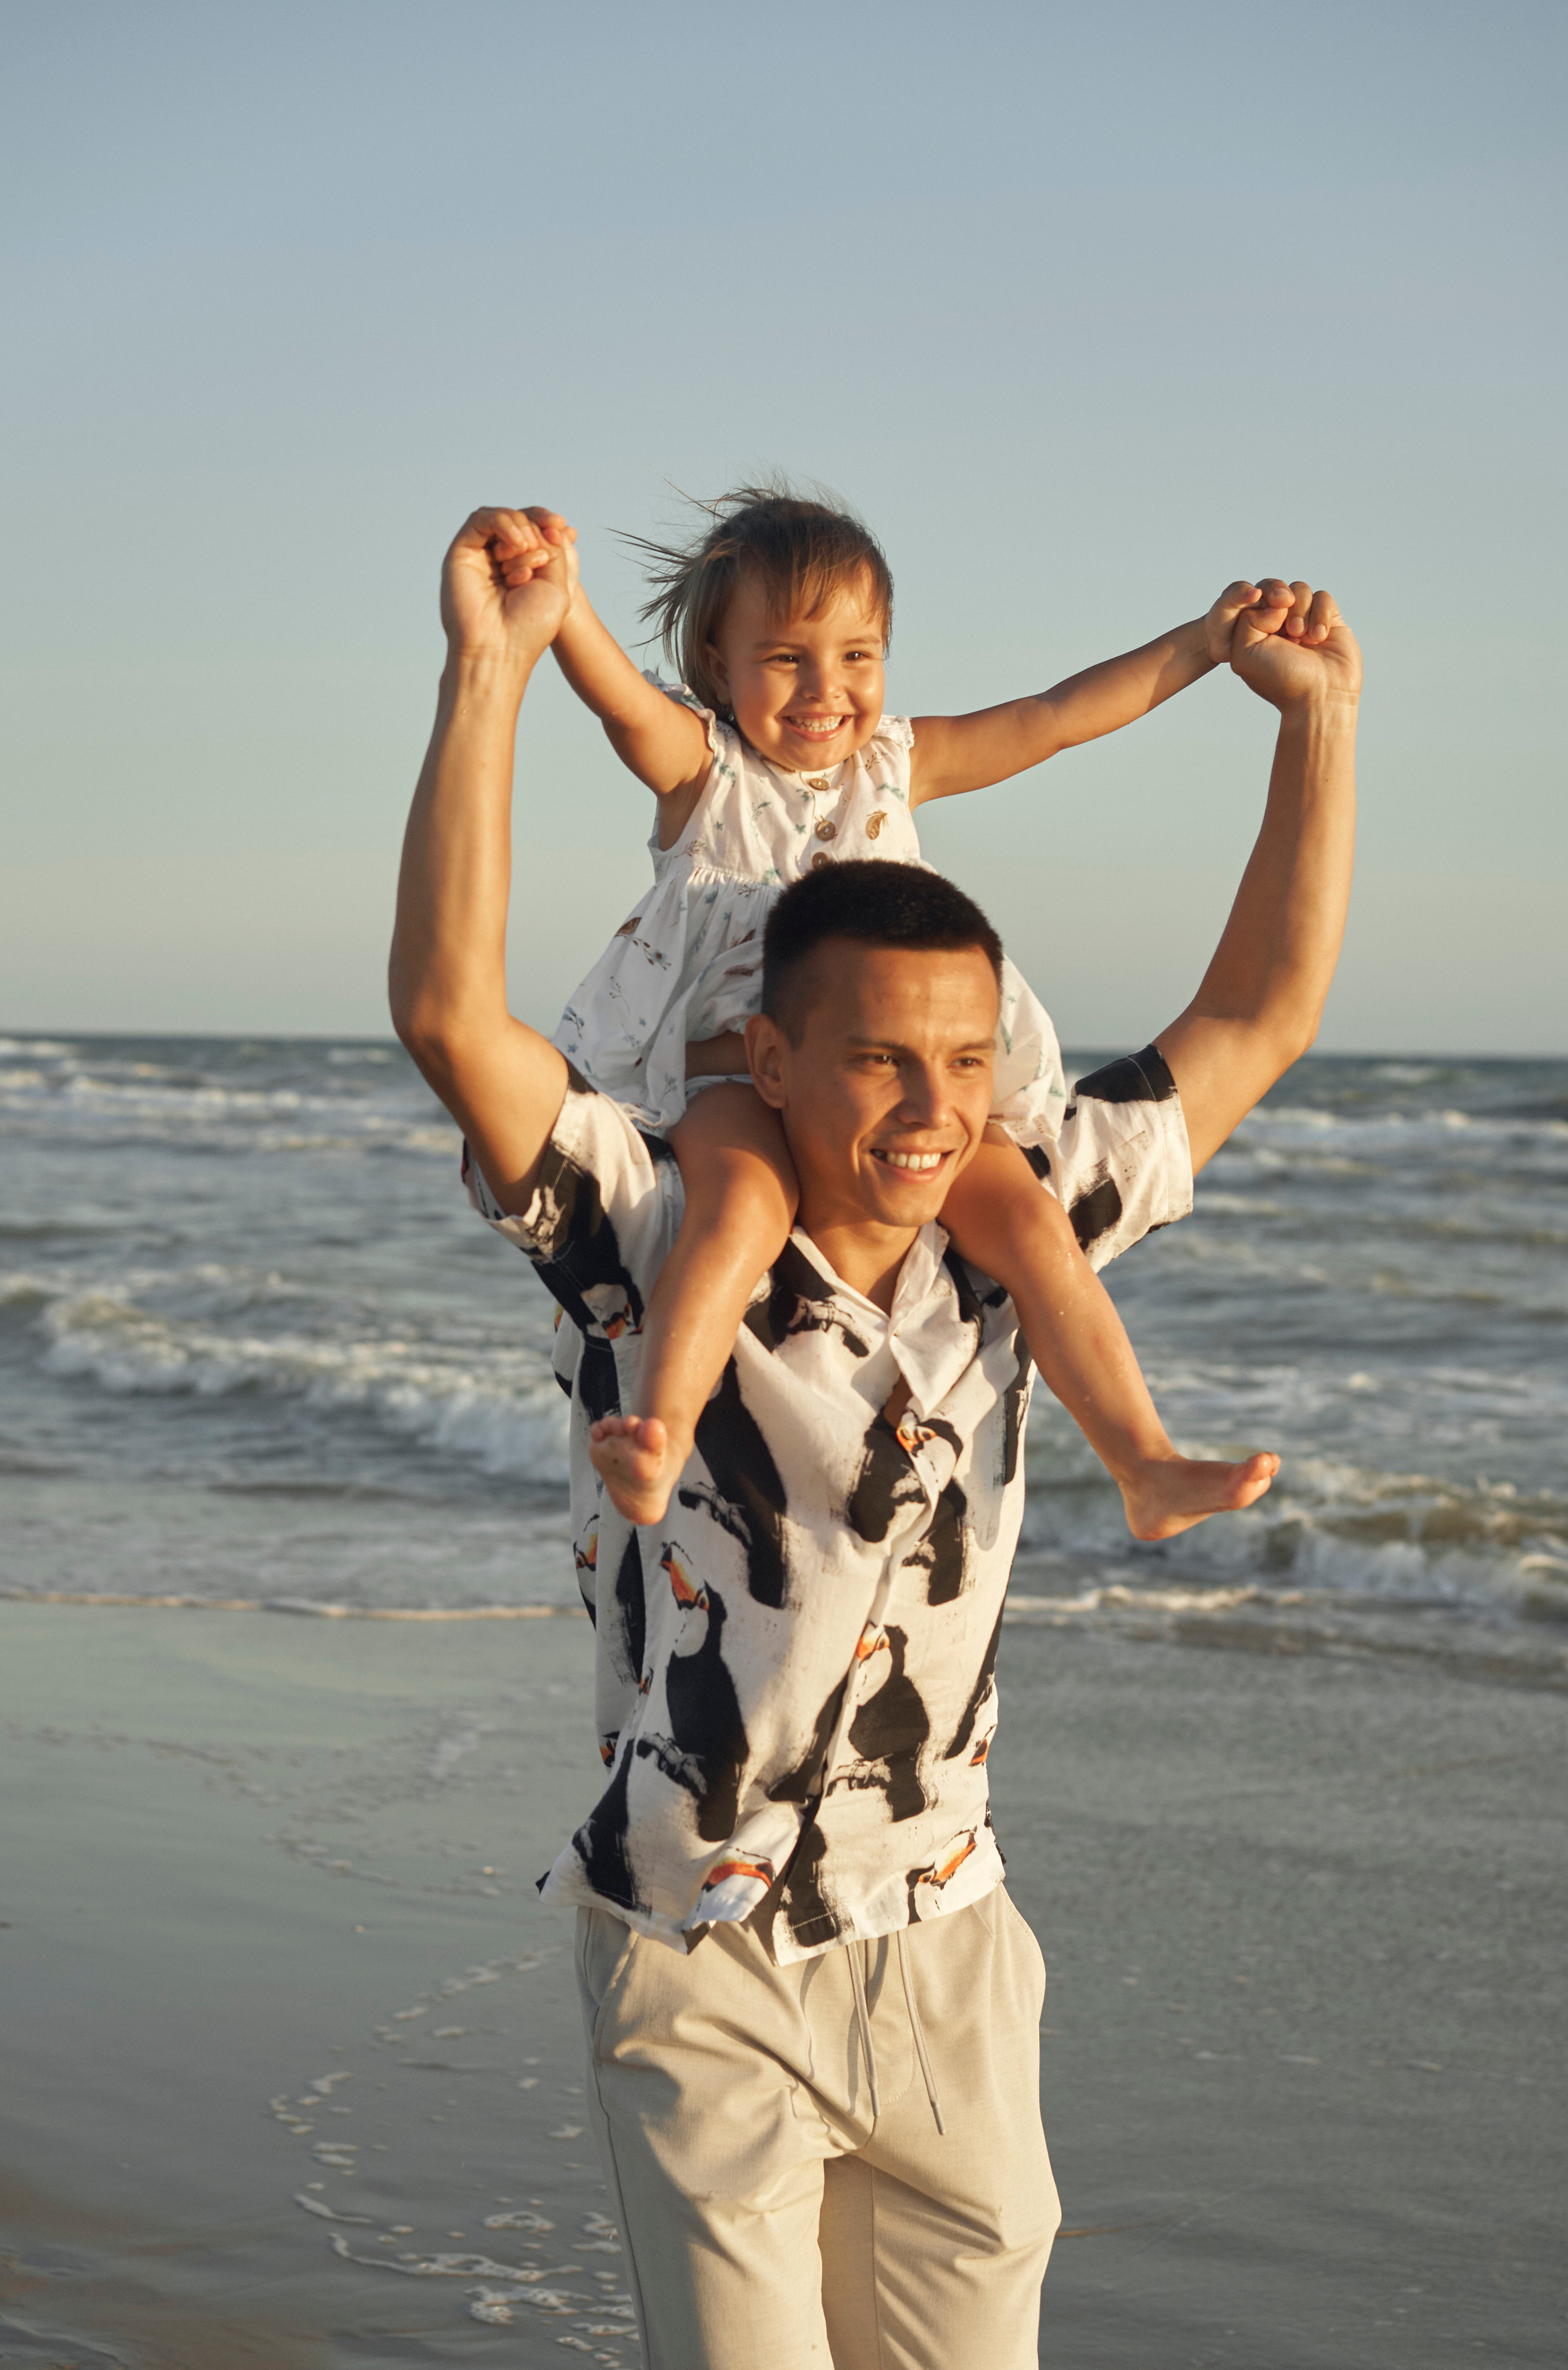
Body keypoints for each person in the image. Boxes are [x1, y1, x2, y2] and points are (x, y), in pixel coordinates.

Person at [390, 506, 1359, 2370]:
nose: (934, 1111)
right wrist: (494, 673)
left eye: (970, 1060)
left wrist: (1310, 721)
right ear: (765, 1053)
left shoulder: (1022, 1223)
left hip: (948, 1951)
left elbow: (1259, 1015)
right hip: (700, 1942)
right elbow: (449, 1012)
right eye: (883, 1061)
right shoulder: (653, 1228)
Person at [506, 488, 1285, 1542]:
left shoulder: (895, 765)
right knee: (739, 1209)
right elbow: (617, 701)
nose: (827, 689)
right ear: (718, 667)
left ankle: (1141, 1460)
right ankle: (658, 1431)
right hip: (733, 1071)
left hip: (893, 1081)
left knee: (1031, 1228)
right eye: (785, 657)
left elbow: (1054, 719)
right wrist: (560, 610)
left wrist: (1202, 646)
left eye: (858, 655)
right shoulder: (705, 772)